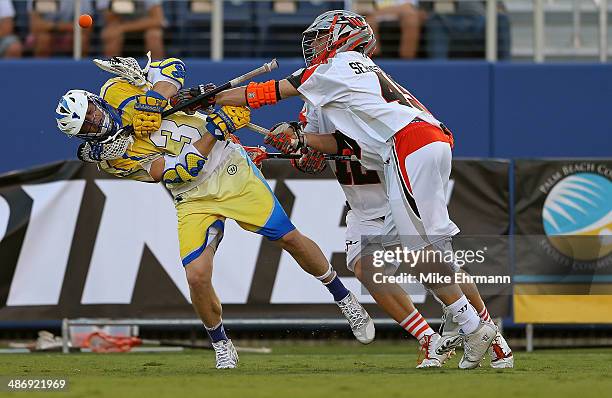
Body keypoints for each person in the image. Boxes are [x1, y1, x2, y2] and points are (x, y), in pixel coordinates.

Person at [211, 10, 507, 369]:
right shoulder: (355, 73)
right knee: (421, 249)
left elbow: (268, 93)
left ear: (342, 37)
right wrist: (294, 141)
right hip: (422, 142)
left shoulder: (333, 68)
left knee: (419, 250)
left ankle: (475, 327)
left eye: (322, 38)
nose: (315, 46)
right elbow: (317, 149)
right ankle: (471, 328)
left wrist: (213, 97)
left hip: (407, 147)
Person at [54, 54, 374, 369]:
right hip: (192, 194)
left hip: (230, 168)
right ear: (83, 136)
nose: (97, 121)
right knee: (196, 276)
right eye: (88, 125)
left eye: (93, 113)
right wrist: (215, 129)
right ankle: (222, 344)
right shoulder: (112, 159)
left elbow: (172, 67)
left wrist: (154, 100)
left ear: (97, 100)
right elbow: (181, 172)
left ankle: (343, 297)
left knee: (287, 238)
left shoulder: (117, 90)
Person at [282, 102, 512, 368]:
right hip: (363, 208)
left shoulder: (370, 94)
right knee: (365, 269)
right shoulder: (315, 104)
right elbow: (310, 157)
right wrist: (297, 147)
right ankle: (429, 340)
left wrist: (305, 139)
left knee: (441, 271)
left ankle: (490, 334)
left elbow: (354, 143)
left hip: (400, 197)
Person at [423, 1, 511, 59]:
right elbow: (426, 7)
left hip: (479, 23)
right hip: (446, 21)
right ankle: (438, 74)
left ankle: (505, 74)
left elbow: (500, 8)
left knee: (501, 19)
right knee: (435, 21)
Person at [97, 0, 165, 58]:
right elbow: (110, 20)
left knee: (154, 35)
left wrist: (123, 28)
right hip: (122, 30)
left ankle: (156, 71)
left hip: (146, 28)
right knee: (111, 33)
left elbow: (157, 20)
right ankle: (112, 70)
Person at [28, 0, 92, 57]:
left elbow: (86, 28)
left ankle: (79, 69)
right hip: (46, 34)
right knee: (44, 39)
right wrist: (63, 27)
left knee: (82, 39)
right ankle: (42, 69)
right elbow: (35, 26)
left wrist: (52, 26)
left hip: (71, 34)